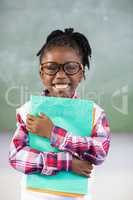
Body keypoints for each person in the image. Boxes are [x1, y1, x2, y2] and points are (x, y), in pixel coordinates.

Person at [9, 28, 111, 200]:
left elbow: (100, 153)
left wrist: (53, 133)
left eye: (70, 67)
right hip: (35, 196)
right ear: (42, 74)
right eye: (51, 68)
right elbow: (16, 156)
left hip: (77, 196)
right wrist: (67, 163)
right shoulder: (28, 111)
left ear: (81, 74)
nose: (61, 75)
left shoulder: (94, 113)